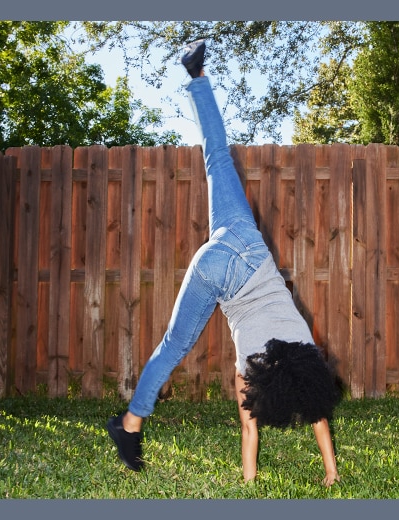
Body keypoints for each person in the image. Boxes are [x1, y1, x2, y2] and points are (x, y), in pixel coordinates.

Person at [106, 39, 341, 487]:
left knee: (217, 157)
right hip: (216, 268)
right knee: (173, 345)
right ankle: (129, 425)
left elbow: (318, 412)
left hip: (244, 242)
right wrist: (317, 477)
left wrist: (332, 469)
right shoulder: (249, 370)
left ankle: (197, 77)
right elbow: (251, 428)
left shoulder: (306, 348)